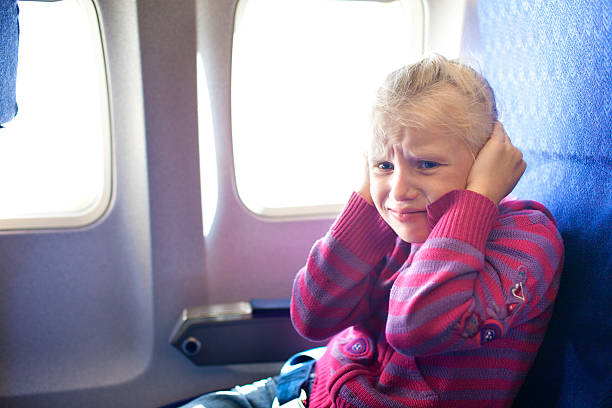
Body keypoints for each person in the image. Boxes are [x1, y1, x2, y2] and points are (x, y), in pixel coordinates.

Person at [179, 54, 564, 408]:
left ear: (485, 161)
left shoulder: (526, 238)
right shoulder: (398, 227)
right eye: (383, 165)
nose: (399, 190)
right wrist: (371, 204)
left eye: (426, 164)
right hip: (300, 384)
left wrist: (476, 199)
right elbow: (313, 315)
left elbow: (416, 326)